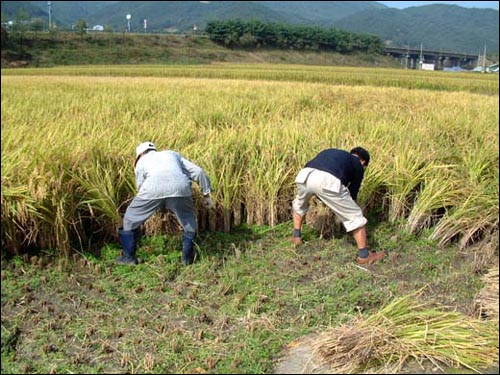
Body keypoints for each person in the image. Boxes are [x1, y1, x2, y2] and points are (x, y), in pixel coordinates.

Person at [117, 141, 214, 265]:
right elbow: (199, 172)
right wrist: (206, 195)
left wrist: (156, 203)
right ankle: (187, 258)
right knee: (189, 222)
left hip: (151, 190)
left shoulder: (141, 162)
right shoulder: (172, 154)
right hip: (181, 188)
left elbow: (141, 187)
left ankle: (128, 257)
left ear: (140, 155)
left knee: (129, 220)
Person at [291, 147, 385, 265]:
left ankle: (296, 237)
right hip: (326, 180)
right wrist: (347, 210)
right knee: (355, 216)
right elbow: (352, 192)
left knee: (299, 204)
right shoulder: (358, 164)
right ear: (363, 162)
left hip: (305, 175)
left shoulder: (334, 153)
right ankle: (364, 255)